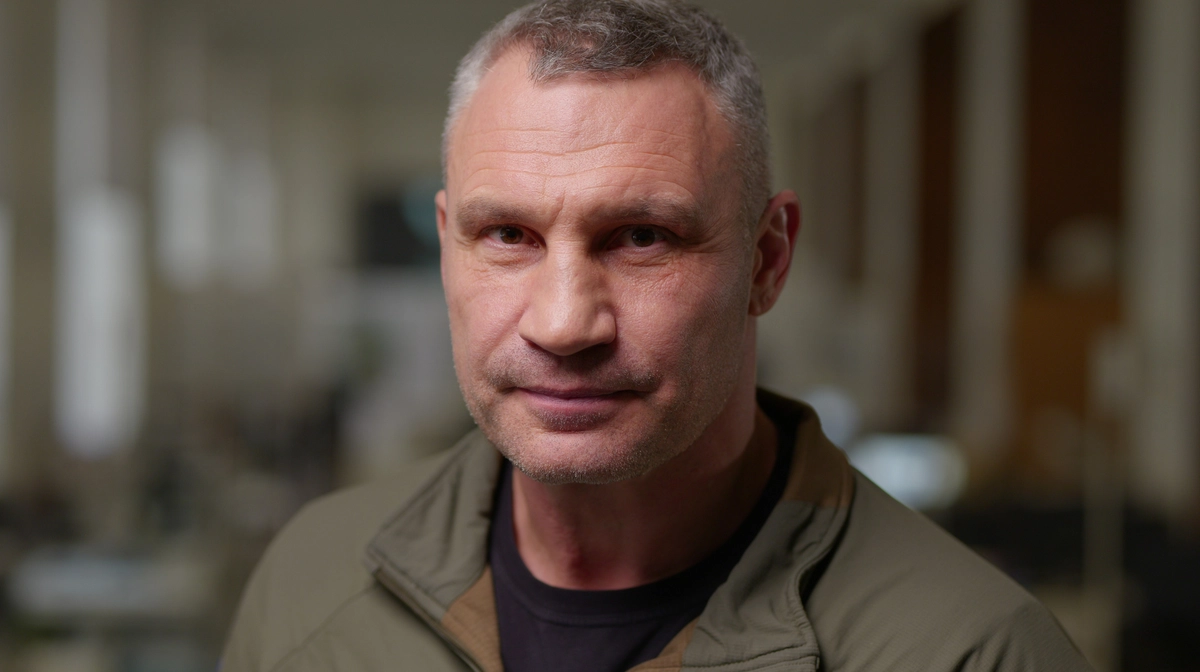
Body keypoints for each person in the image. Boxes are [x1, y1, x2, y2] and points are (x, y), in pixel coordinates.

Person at [221, 1, 1094, 670]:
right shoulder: (310, 580)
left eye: (642, 237)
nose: (563, 324)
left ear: (767, 259)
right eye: (508, 235)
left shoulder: (970, 652)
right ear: (448, 244)